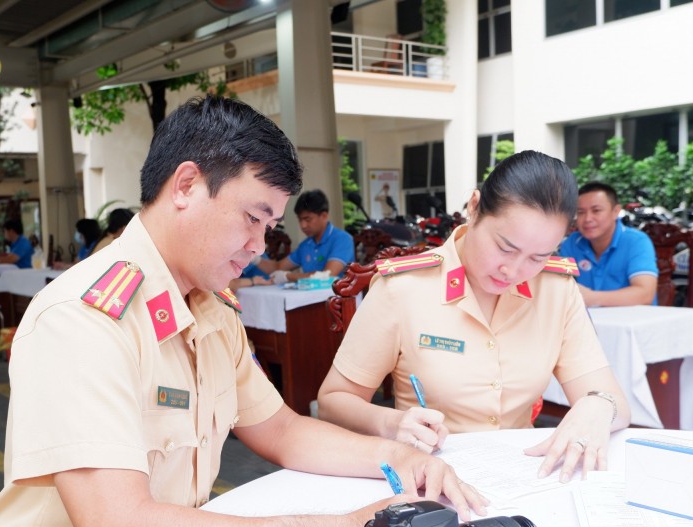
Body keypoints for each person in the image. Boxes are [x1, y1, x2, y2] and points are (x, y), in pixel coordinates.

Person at [0, 96, 485, 527]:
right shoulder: (85, 320)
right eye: (252, 217)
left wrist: (400, 457)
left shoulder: (212, 310)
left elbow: (282, 431)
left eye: (269, 225)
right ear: (186, 185)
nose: (257, 245)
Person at [316, 151, 632, 483]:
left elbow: (617, 404)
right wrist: (391, 424)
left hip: (523, 479)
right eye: (505, 248)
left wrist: (599, 406)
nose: (514, 270)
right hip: (428, 480)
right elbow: (334, 402)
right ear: (475, 206)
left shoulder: (556, 289)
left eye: (538, 257)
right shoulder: (404, 288)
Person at [557, 181, 658, 307]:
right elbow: (557, 288)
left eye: (596, 210)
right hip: (586, 323)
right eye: (581, 212)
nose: (588, 219)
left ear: (616, 211)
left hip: (631, 323)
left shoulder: (636, 241)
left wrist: (591, 298)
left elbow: (645, 294)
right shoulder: (571, 243)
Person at [256, 189, 355, 284]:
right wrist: (255, 259)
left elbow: (327, 276)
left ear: (324, 216)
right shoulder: (305, 245)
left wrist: (288, 276)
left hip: (339, 299)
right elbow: (278, 267)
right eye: (300, 220)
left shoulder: (343, 239)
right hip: (311, 298)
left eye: (307, 219)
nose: (303, 225)